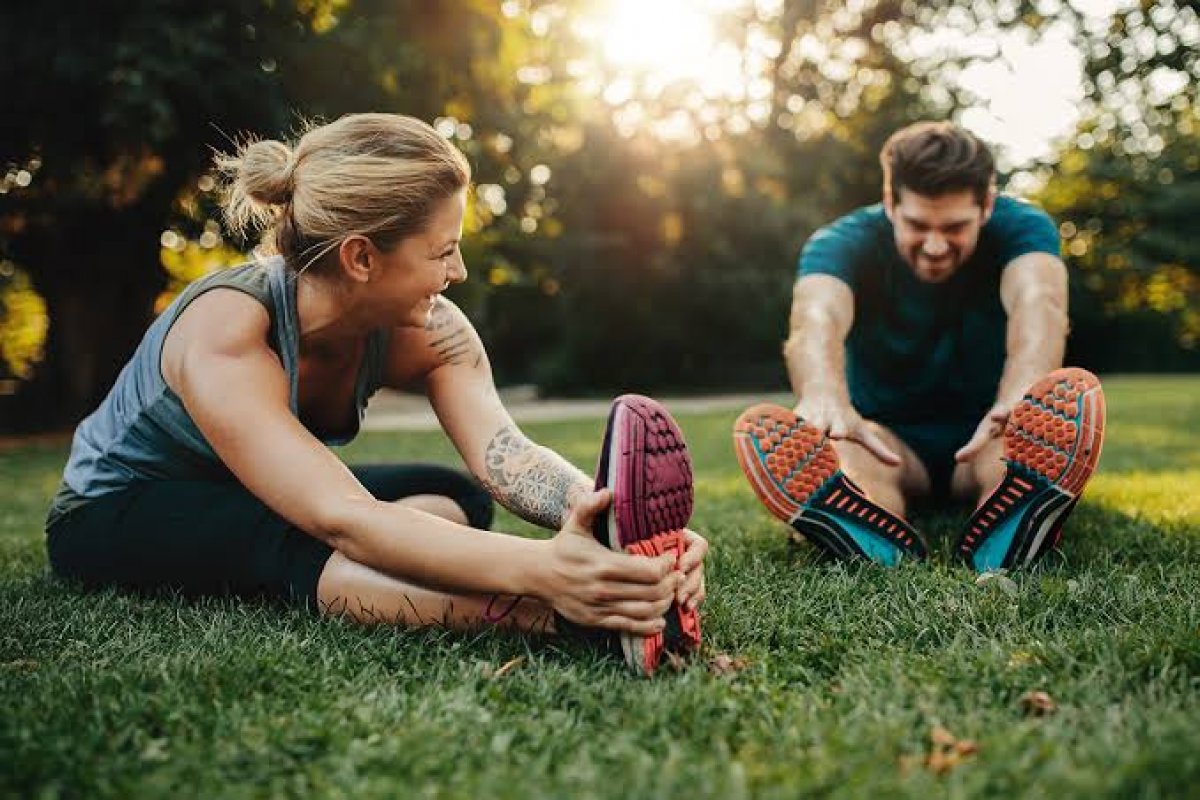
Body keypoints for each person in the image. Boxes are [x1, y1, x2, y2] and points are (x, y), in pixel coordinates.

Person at [44, 113, 707, 674]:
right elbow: (341, 516)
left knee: (456, 498)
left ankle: (374, 573)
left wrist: (618, 530)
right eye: (442, 252)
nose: (459, 270)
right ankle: (560, 619)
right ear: (361, 258)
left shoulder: (430, 329)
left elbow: (505, 454)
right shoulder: (228, 332)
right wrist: (549, 573)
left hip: (254, 494)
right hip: (119, 507)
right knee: (298, 537)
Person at [734, 121, 1105, 571]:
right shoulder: (840, 242)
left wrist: (1020, 397)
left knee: (1015, 457)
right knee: (850, 459)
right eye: (916, 225)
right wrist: (824, 396)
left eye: (954, 227)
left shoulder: (1023, 226)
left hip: (987, 431)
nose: (934, 245)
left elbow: (1038, 300)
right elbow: (817, 317)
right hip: (886, 439)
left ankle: (1015, 518)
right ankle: (869, 528)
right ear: (890, 203)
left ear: (986, 206)